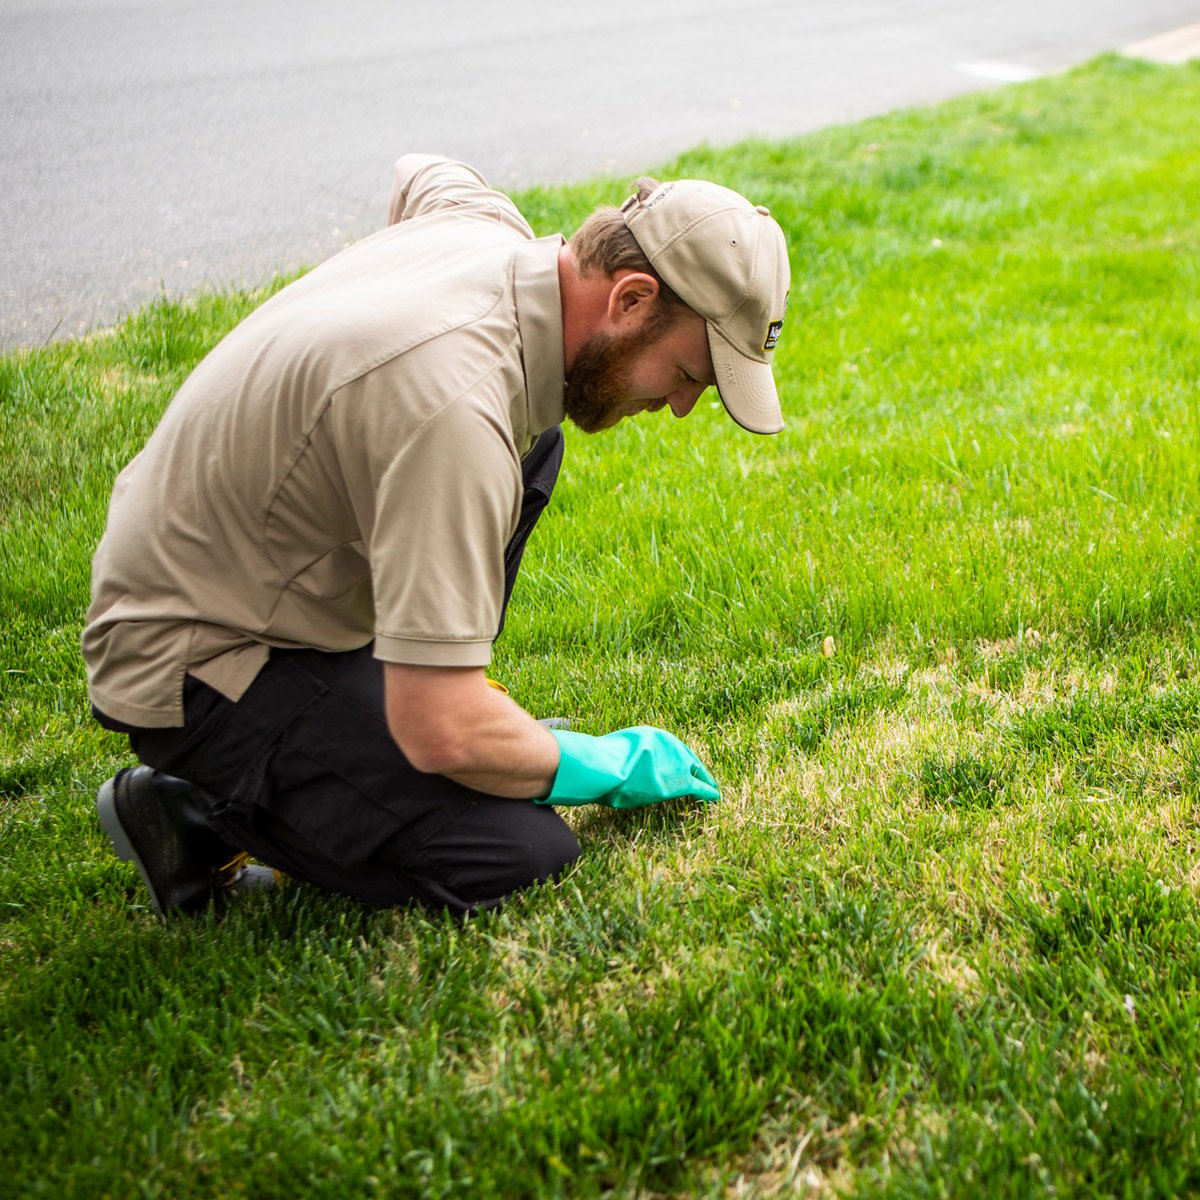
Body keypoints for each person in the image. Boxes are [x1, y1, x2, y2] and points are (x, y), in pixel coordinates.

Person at [84, 154, 791, 918]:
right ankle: (189, 808)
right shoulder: (453, 412)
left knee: (535, 442)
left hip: (260, 576)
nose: (683, 406)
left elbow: (427, 169)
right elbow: (441, 734)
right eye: (689, 373)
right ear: (631, 296)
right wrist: (605, 763)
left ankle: (415, 696)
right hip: (195, 654)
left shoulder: (486, 233)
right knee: (517, 853)